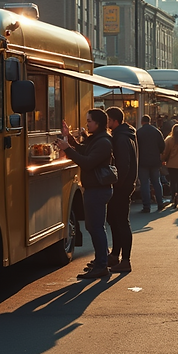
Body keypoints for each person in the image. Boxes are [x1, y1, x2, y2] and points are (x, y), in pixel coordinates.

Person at [56, 109, 115, 279]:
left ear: (98, 123)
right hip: (95, 188)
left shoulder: (103, 141)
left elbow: (87, 162)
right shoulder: (98, 138)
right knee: (94, 227)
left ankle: (102, 264)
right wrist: (71, 140)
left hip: (98, 189)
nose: (87, 124)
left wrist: (68, 149)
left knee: (96, 227)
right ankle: (100, 261)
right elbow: (84, 150)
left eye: (89, 121)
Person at [105, 107, 138, 273]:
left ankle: (125, 260)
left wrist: (116, 184)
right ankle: (116, 255)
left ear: (114, 121)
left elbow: (123, 165)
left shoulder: (120, 138)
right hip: (124, 185)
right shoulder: (126, 134)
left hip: (121, 187)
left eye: (107, 119)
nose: (106, 122)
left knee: (121, 222)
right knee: (115, 220)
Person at [136, 114, 167, 213]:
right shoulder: (156, 131)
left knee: (144, 184)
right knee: (156, 182)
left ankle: (146, 206)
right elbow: (162, 146)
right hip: (155, 161)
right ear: (150, 121)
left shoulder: (139, 132)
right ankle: (160, 203)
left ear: (142, 122)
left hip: (143, 161)